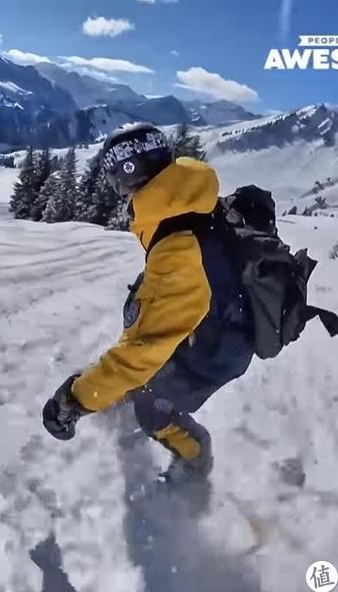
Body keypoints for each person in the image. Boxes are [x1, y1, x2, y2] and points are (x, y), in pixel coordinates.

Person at [40, 123, 256, 483]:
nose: (118, 193)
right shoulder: (188, 201)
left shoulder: (177, 248)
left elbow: (140, 353)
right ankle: (131, 391)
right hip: (221, 319)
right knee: (144, 352)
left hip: (218, 348)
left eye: (116, 181)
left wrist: (73, 400)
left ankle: (195, 458)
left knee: (153, 409)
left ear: (131, 175)